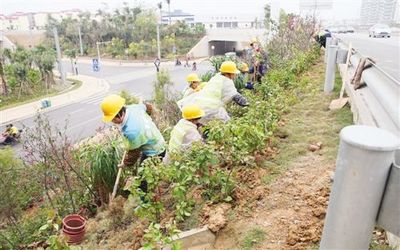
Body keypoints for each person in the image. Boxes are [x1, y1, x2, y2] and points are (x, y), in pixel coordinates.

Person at [101, 94, 166, 195]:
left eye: (113, 119)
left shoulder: (132, 131)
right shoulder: (133, 108)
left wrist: (126, 164)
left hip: (155, 151)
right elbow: (148, 107)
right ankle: (152, 191)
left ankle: (146, 202)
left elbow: (134, 153)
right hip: (155, 141)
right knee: (144, 173)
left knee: (143, 181)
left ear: (119, 114)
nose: (113, 122)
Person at [177, 61, 249, 124]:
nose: (235, 75)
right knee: (227, 124)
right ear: (228, 73)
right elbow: (236, 97)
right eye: (234, 73)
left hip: (201, 107)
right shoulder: (227, 81)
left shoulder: (216, 77)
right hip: (211, 108)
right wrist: (248, 105)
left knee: (210, 126)